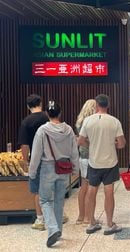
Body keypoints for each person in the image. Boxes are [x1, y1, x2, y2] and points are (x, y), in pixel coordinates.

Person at [29, 101, 79, 247]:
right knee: (59, 201)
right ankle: (59, 231)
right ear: (60, 113)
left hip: (47, 168)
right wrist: (75, 170)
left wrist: (32, 172)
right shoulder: (68, 130)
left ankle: (52, 229)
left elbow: (36, 154)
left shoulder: (42, 131)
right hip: (63, 168)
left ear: (47, 114)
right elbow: (73, 152)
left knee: (45, 200)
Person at [78, 94, 126, 235]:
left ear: (97, 105)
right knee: (109, 191)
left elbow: (80, 141)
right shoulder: (114, 121)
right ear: (108, 105)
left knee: (91, 190)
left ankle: (92, 222)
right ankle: (110, 224)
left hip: (94, 161)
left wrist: (91, 145)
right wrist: (113, 143)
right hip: (110, 162)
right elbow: (122, 144)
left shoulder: (88, 121)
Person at [18, 94, 49, 231]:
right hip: (51, 158)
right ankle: (59, 215)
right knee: (52, 188)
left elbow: (24, 145)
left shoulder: (26, 122)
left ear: (27, 106)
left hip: (36, 159)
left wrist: (25, 161)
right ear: (40, 103)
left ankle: (40, 219)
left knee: (37, 190)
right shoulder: (48, 118)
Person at [75, 99, 96, 225]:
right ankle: (89, 217)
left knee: (83, 186)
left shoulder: (79, 122)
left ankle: (81, 216)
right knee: (90, 187)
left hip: (82, 156)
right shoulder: (90, 122)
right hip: (90, 156)